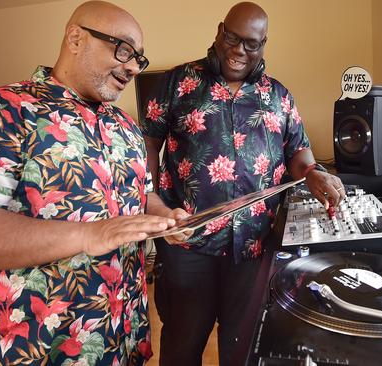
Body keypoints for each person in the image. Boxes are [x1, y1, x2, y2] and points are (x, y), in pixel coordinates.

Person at [0, 2, 184, 365]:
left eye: (138, 58)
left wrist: (165, 218)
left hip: (124, 339)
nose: (131, 66)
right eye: (123, 49)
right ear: (76, 38)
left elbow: (142, 194)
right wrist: (87, 235)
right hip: (39, 348)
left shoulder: (126, 126)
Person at [141, 2, 346, 365]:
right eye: (232, 38)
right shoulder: (176, 82)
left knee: (242, 346)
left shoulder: (279, 96)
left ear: (264, 43)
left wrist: (314, 173)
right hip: (188, 245)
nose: (238, 50)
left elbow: (298, 152)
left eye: (251, 43)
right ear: (220, 30)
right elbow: (150, 144)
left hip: (252, 248)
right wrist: (151, 196)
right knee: (182, 344)